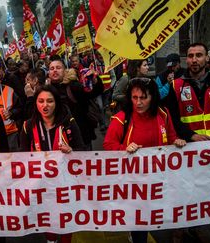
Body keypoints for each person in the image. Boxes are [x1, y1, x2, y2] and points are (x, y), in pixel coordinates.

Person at [103, 77, 186, 243]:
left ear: (153, 97)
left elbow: (171, 136)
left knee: (156, 215)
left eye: (143, 98)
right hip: (133, 182)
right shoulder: (121, 118)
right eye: (134, 98)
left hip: (158, 179)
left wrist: (176, 141)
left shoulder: (164, 113)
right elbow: (108, 144)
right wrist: (123, 149)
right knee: (139, 222)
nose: (138, 103)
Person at [20, 85, 85, 243]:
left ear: (56, 103)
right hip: (41, 183)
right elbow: (21, 155)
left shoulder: (68, 123)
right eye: (41, 101)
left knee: (66, 217)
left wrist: (71, 151)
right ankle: (50, 240)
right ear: (35, 103)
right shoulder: (28, 126)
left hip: (66, 182)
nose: (45, 105)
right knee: (47, 216)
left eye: (50, 101)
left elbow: (82, 150)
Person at [48, 59, 103, 150]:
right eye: (52, 68)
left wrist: (95, 81)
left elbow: (92, 93)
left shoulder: (73, 86)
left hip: (80, 138)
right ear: (49, 73)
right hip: (58, 140)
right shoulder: (46, 90)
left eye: (58, 68)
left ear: (65, 71)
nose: (55, 70)